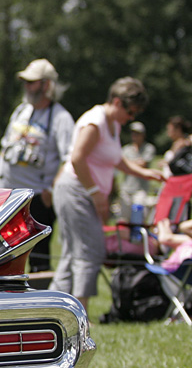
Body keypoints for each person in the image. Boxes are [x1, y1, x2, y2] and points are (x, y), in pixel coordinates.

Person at [49, 77, 164, 310]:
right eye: (130, 112)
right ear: (117, 101)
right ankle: (81, 311)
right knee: (90, 249)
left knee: (74, 252)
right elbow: (77, 158)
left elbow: (116, 160)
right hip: (75, 191)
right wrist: (95, 193)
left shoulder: (114, 125)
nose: (132, 118)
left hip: (83, 192)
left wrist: (145, 173)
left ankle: (53, 306)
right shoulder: (95, 121)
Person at [0, 58, 75, 273]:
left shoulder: (61, 118)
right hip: (7, 196)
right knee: (3, 254)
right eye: (25, 82)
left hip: (36, 199)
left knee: (38, 257)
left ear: (47, 85)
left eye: (32, 82)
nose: (26, 86)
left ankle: (40, 301)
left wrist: (52, 189)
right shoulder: (21, 110)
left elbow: (70, 158)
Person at [118, 122, 156, 216]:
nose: (134, 136)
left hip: (141, 189)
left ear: (143, 135)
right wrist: (132, 163)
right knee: (124, 217)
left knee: (138, 216)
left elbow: (142, 164)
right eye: (133, 133)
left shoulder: (148, 148)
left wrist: (127, 163)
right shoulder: (126, 149)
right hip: (126, 188)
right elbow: (121, 165)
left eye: (137, 133)